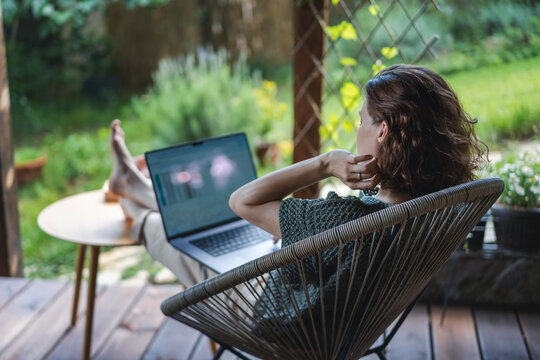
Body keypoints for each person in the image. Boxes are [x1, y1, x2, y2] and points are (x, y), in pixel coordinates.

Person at [109, 64, 486, 291]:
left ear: (383, 130)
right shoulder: (434, 207)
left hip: (271, 311)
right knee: (231, 230)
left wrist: (324, 163)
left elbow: (241, 201)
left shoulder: (346, 222)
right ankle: (135, 186)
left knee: (155, 224)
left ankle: (130, 194)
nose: (357, 131)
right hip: (333, 311)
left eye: (360, 122)